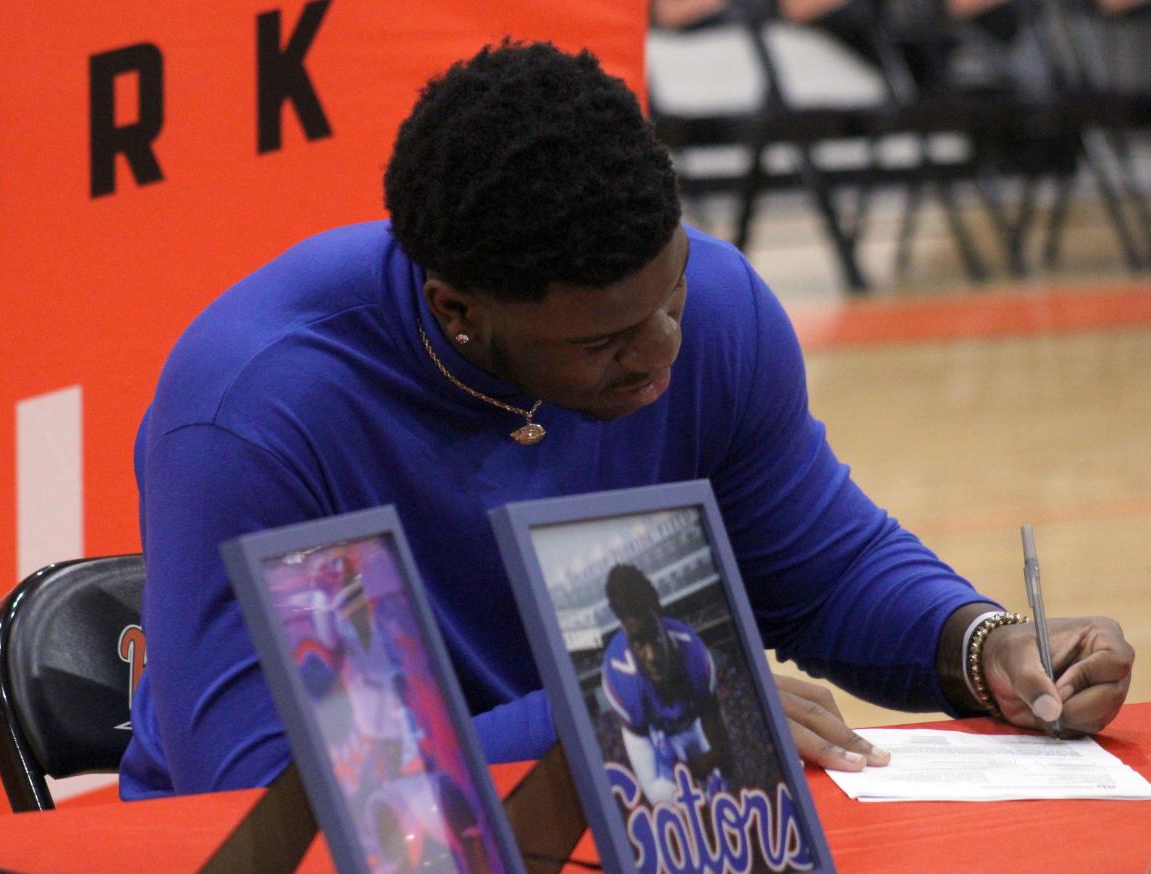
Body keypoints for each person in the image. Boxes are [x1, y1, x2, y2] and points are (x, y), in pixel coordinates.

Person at [119, 40, 1133, 800]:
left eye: (671, 293)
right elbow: (262, 779)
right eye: (603, 341)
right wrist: (622, 717)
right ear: (458, 311)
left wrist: (978, 642)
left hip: (626, 821)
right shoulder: (258, 412)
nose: (661, 350)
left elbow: (822, 571)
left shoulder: (720, 310)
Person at [601, 564, 734, 805]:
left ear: (661, 623)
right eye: (639, 643)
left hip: (690, 723)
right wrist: (684, 775)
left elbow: (721, 750)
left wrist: (705, 770)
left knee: (724, 786)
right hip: (656, 734)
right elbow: (654, 784)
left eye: (653, 637)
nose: (650, 655)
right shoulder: (620, 677)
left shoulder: (693, 652)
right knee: (666, 800)